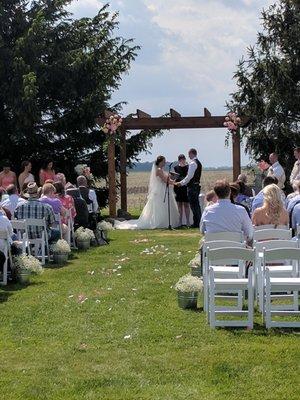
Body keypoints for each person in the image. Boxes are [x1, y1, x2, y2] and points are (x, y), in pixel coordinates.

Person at [115, 156, 180, 229]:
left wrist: (173, 180)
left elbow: (167, 179)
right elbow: (165, 180)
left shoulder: (161, 169)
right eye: (164, 161)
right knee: (159, 206)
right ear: (160, 162)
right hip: (160, 190)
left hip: (163, 188)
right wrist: (175, 183)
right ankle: (160, 222)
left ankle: (167, 221)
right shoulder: (159, 170)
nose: (165, 163)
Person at [175, 148, 202, 228]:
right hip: (196, 185)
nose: (188, 156)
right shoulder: (198, 162)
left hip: (192, 186)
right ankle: (198, 221)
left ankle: (197, 222)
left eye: (189, 154)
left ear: (191, 153)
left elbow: (189, 176)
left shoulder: (192, 163)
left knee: (194, 205)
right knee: (196, 205)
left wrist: (181, 183)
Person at [174, 154, 190, 227]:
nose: (182, 161)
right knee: (179, 205)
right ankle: (180, 221)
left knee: (186, 205)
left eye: (183, 159)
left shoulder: (188, 167)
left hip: (185, 187)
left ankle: (188, 221)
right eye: (181, 159)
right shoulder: (176, 168)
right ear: (179, 160)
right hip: (178, 188)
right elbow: (175, 177)